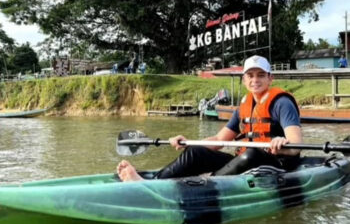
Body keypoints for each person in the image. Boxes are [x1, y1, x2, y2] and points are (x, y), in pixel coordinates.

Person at [117, 55, 302, 182]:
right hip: (246, 163)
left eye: (261, 75)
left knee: (251, 154)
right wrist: (189, 143)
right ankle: (153, 182)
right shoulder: (243, 108)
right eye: (250, 75)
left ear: (270, 78)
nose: (255, 80)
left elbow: (295, 146)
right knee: (196, 153)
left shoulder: (282, 103)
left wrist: (281, 143)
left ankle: (210, 181)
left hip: (277, 166)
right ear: (244, 80)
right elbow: (219, 140)